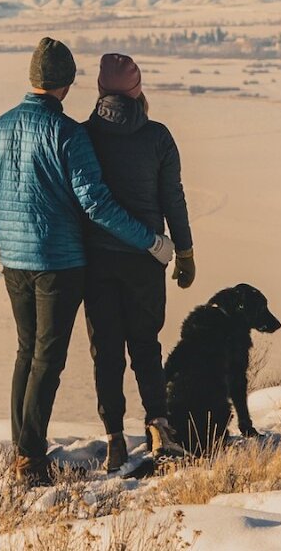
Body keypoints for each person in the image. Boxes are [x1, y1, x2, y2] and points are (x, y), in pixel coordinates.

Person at [0, 37, 175, 486]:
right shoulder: (67, 134)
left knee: (26, 351)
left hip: (14, 260)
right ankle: (30, 459)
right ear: (68, 83)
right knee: (48, 358)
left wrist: (8, 243)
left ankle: (23, 447)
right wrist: (151, 241)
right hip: (60, 261)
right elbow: (97, 205)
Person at [80, 52, 195, 470]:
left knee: (105, 350)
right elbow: (173, 198)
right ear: (138, 90)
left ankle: (113, 436)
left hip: (96, 262)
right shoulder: (158, 137)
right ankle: (159, 426)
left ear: (99, 90)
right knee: (146, 345)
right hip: (147, 260)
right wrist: (184, 251)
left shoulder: (83, 135)